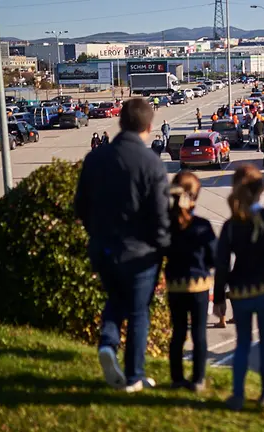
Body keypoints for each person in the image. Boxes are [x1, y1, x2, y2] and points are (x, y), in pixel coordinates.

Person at [74, 98, 171, 393]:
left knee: (116, 299)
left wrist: (97, 234)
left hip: (103, 248)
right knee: (139, 311)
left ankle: (108, 341)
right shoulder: (152, 162)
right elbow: (159, 214)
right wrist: (164, 248)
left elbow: (81, 206)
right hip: (139, 253)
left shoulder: (96, 158)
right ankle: (134, 375)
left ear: (120, 122)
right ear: (149, 126)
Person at [213, 164, 264, 411]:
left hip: (240, 293)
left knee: (242, 343)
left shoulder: (231, 224)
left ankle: (237, 394)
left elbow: (222, 262)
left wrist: (219, 297)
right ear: (261, 190)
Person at [165, 171, 216, 392]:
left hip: (175, 285)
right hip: (199, 286)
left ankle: (177, 377)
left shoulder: (167, 225)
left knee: (177, 333)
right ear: (194, 197)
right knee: (199, 334)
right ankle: (197, 379)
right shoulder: (202, 225)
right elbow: (214, 258)